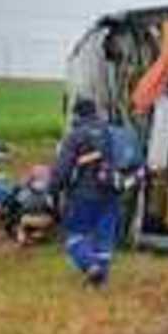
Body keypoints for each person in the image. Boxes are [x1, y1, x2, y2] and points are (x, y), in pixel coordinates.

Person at [49, 98, 120, 287]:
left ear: (77, 114)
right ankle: (101, 280)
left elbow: (63, 169)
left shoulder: (75, 136)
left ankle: (91, 267)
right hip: (111, 191)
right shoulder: (110, 132)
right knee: (103, 238)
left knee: (75, 236)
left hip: (84, 195)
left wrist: (52, 189)